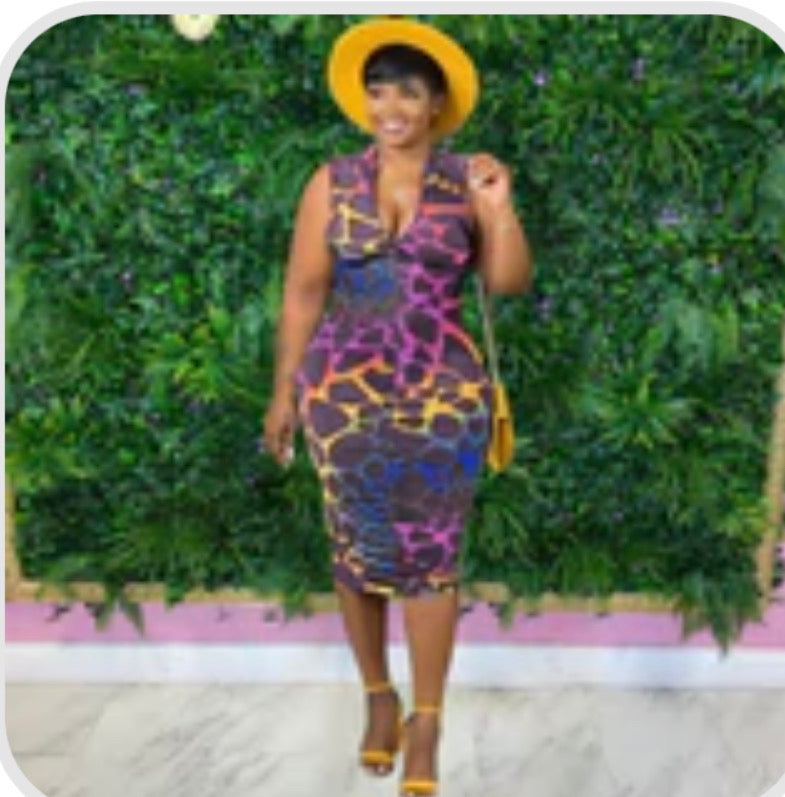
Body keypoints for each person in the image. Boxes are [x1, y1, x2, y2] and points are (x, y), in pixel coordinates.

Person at [263, 16, 533, 797]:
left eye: (407, 93)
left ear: (436, 103)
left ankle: (427, 721)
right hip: (341, 398)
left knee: (431, 560)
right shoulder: (331, 181)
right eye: (377, 92)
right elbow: (303, 292)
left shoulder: (468, 180)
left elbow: (506, 282)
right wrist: (283, 393)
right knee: (355, 550)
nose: (389, 108)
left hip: (442, 399)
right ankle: (379, 699)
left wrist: (499, 207)